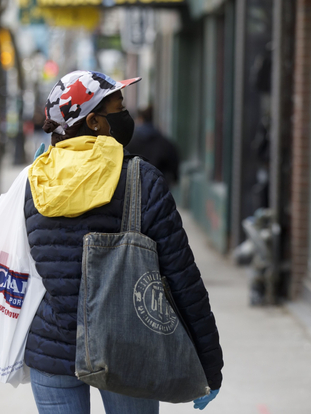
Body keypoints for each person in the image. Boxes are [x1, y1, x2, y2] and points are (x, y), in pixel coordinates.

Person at [24, 70, 223, 413]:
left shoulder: (35, 182)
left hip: (53, 349)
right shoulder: (141, 178)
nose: (125, 113)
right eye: (119, 106)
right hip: (128, 350)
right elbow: (182, 279)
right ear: (96, 121)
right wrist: (209, 365)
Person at [126, 106, 180, 188]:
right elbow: (174, 167)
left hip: (134, 188)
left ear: (141, 119)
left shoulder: (130, 143)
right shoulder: (165, 143)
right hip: (158, 189)